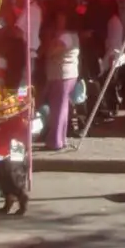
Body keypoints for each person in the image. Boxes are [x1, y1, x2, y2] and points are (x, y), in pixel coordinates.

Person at [42, 8, 80, 151]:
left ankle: (55, 140)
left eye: (61, 18)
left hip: (61, 75)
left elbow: (51, 51)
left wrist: (49, 43)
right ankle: (60, 139)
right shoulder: (73, 35)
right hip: (68, 75)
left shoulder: (65, 37)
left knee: (58, 109)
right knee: (62, 107)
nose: (58, 21)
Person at [0, 4, 27, 91]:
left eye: (8, 16)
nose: (5, 18)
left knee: (21, 90)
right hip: (7, 66)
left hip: (19, 67)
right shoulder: (3, 32)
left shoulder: (19, 31)